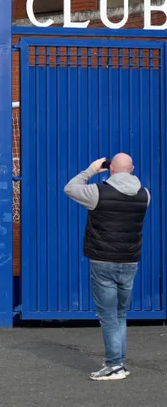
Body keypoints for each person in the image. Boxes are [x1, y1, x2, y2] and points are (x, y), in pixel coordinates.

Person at [64, 153, 150, 381]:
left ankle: (114, 365)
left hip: (103, 262)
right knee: (120, 314)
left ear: (110, 169)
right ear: (132, 168)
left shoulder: (97, 192)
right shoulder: (145, 194)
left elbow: (70, 188)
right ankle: (118, 363)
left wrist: (91, 170)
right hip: (130, 261)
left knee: (109, 316)